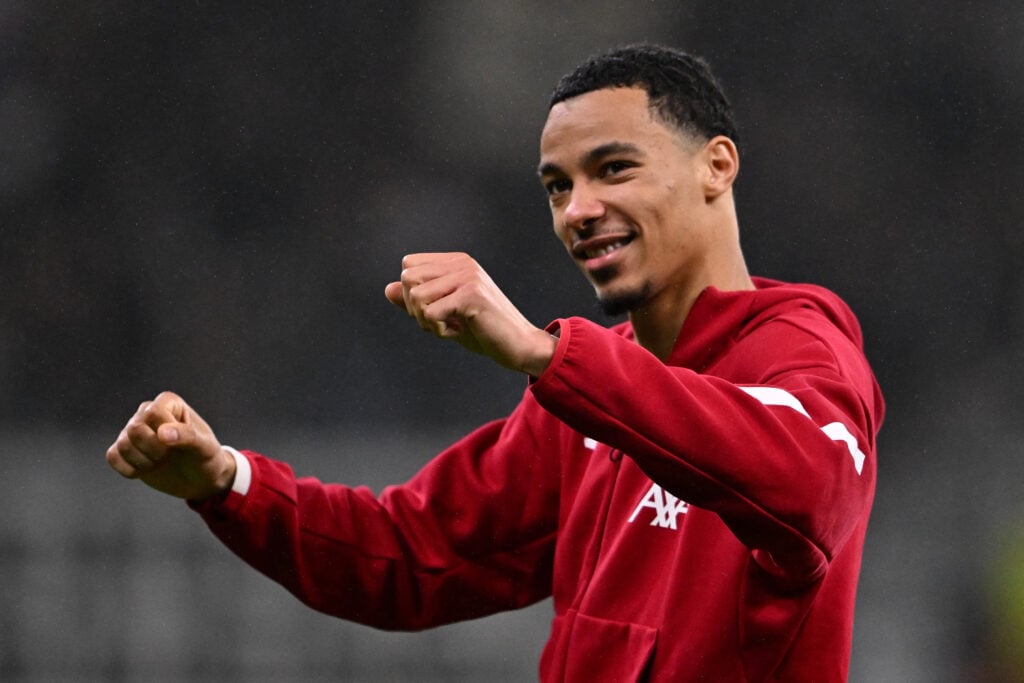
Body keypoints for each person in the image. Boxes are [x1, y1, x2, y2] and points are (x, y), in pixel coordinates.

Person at [106, 43, 885, 681]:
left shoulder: (801, 351)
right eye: (557, 186)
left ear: (717, 166)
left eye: (614, 169)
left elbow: (807, 486)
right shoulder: (585, 399)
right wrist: (228, 483)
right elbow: (412, 551)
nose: (577, 210)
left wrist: (546, 354)